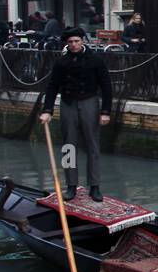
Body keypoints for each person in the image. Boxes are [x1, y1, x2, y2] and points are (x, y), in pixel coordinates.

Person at [38, 27, 112, 202]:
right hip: (68, 104)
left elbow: (106, 87)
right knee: (68, 147)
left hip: (89, 103)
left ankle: (94, 187)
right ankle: (71, 186)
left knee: (92, 146)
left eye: (77, 41)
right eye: (70, 42)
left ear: (82, 41)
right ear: (67, 43)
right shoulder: (61, 62)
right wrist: (47, 110)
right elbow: (52, 87)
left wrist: (105, 112)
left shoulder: (95, 60)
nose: (74, 45)